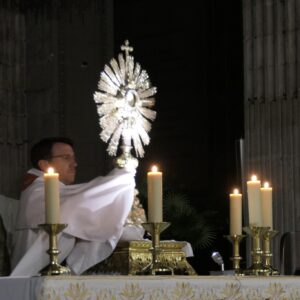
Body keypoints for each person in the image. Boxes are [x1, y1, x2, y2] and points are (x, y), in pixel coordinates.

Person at [10, 137, 143, 276]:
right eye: (66, 157)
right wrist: (120, 179)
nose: (74, 164)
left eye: (73, 158)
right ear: (44, 164)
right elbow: (78, 204)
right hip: (32, 279)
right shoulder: (37, 191)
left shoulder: (47, 189)